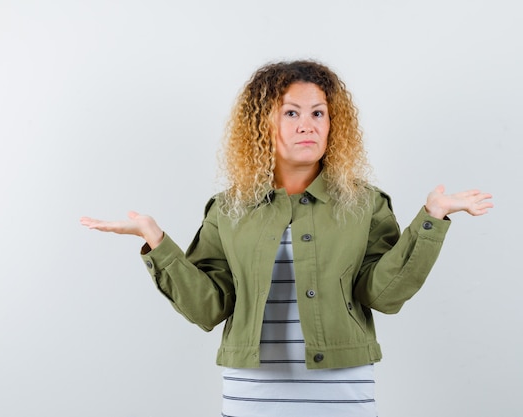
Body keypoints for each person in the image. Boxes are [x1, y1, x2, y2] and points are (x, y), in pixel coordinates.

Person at [80, 60, 493, 417]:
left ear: (334, 123)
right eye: (291, 113)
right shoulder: (228, 209)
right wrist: (156, 241)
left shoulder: (364, 203)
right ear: (263, 123)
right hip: (252, 393)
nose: (307, 126)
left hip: (342, 392)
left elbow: (383, 295)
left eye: (318, 113)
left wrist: (432, 218)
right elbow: (209, 308)